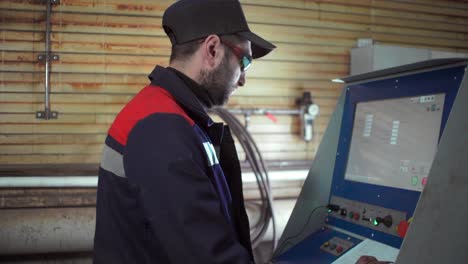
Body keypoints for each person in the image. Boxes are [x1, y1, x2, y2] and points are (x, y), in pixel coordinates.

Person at [93, 0, 275, 263]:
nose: (243, 79)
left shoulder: (173, 116)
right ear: (212, 49)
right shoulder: (161, 127)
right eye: (245, 61)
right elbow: (208, 256)